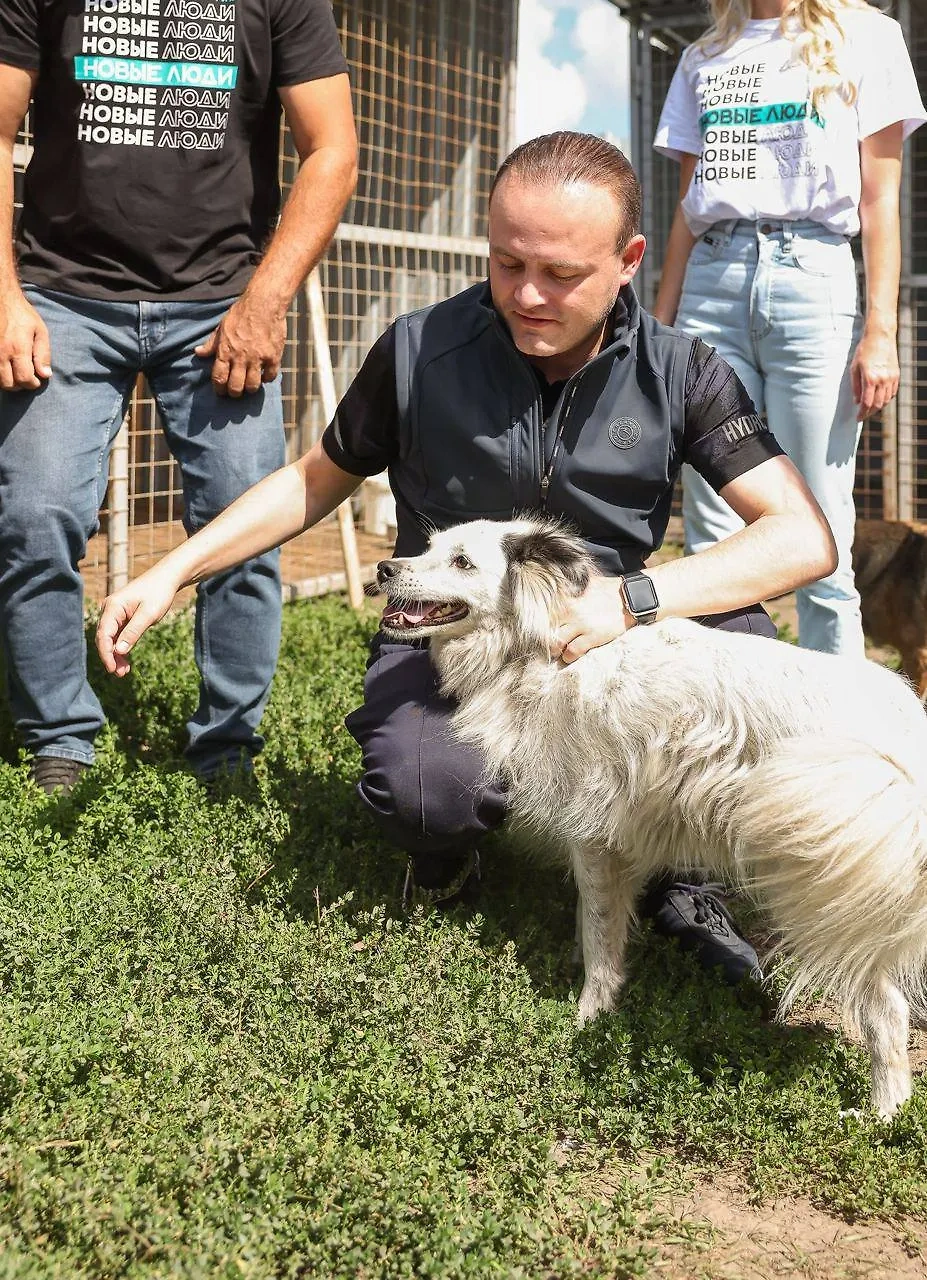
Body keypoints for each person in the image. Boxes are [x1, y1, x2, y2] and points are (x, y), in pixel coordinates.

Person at [97, 132, 837, 982]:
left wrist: (627, 600)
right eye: (506, 261)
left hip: (610, 637)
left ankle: (677, 874)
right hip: (456, 634)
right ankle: (451, 852)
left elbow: (800, 537)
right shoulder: (418, 348)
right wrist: (170, 569)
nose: (526, 295)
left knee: (738, 650)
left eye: (560, 274)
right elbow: (314, 481)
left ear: (629, 259)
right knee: (427, 792)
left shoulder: (682, 371)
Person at [0, 0, 358, 793]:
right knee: (33, 516)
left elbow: (330, 147)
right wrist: (3, 294)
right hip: (64, 296)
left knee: (246, 526)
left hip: (221, 304)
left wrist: (266, 299)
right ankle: (58, 735)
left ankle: (227, 747)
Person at [652, 0, 926, 656]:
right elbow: (689, 208)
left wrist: (879, 331)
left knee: (822, 530)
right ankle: (727, 730)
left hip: (813, 278)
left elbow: (879, 198)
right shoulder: (702, 56)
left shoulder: (867, 35)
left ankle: (839, 738)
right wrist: (659, 327)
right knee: (710, 531)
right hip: (710, 282)